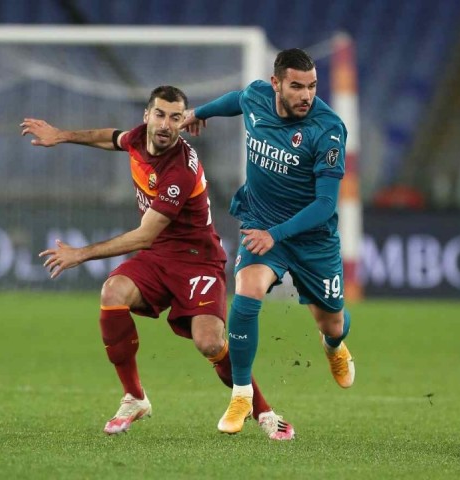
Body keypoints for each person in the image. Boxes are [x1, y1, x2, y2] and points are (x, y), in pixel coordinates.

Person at [19, 85, 294, 440]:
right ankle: (134, 397)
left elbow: (144, 236)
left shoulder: (178, 170)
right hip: (158, 257)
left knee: (209, 342)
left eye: (176, 117)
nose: (166, 125)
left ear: (184, 122)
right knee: (113, 291)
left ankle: (264, 412)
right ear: (147, 115)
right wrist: (62, 135)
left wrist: (81, 254)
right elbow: (113, 138)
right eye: (160, 115)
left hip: (197, 261)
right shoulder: (140, 137)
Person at [180, 49, 355, 435]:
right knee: (247, 288)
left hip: (311, 238)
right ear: (276, 84)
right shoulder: (258, 96)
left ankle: (334, 346)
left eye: (311, 86)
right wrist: (200, 113)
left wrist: (275, 235)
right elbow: (237, 100)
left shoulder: (327, 130)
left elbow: (326, 204)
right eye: (296, 86)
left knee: (332, 321)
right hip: (261, 222)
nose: (306, 95)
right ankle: (242, 394)